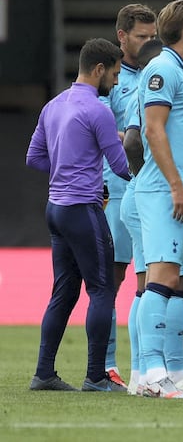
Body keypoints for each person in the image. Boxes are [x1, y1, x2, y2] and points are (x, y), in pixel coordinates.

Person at [26, 38, 130, 392]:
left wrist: (69, 165)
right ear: (99, 69)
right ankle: (97, 376)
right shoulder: (99, 110)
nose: (115, 82)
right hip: (83, 207)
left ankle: (44, 374)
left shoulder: (53, 105)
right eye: (114, 74)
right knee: (102, 289)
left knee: (64, 292)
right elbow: (121, 166)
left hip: (55, 209)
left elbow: (34, 157)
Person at [134, 0, 183, 399]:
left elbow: (177, 139)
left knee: (170, 278)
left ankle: (160, 372)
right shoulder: (163, 69)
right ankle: (151, 373)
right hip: (161, 190)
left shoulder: (176, 71)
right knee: (160, 280)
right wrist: (178, 188)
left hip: (171, 189)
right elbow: (154, 131)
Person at [101, 4, 157, 388]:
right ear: (122, 36)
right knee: (113, 277)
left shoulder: (162, 73)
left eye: (153, 35)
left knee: (154, 277)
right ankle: (106, 363)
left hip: (152, 187)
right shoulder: (111, 78)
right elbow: (103, 130)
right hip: (118, 190)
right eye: (141, 36)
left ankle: (145, 366)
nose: (149, 42)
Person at [120, 37, 164, 395]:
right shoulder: (152, 86)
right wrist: (142, 177)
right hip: (147, 193)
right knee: (154, 284)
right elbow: (132, 141)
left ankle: (140, 373)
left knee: (146, 285)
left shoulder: (143, 86)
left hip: (139, 193)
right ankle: (146, 372)